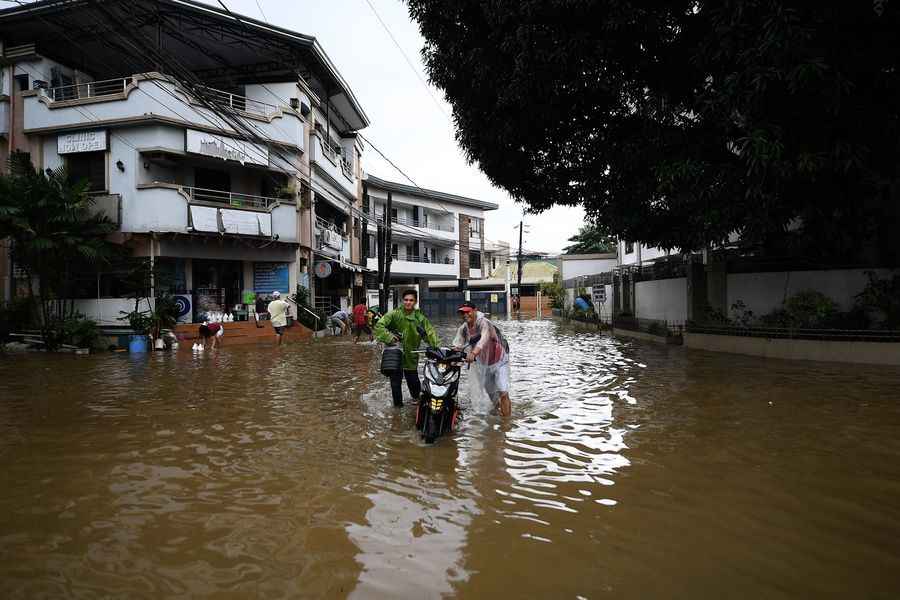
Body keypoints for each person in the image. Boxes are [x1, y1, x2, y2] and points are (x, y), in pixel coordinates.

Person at [374, 289, 440, 407]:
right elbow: (379, 325)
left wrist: (437, 348)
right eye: (406, 300)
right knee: (395, 383)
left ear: (415, 302)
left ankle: (416, 403)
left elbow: (431, 335)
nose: (408, 302)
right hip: (394, 354)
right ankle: (397, 411)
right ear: (402, 301)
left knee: (413, 382)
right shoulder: (394, 314)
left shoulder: (420, 318)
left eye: (411, 300)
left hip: (411, 355)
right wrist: (390, 337)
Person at [453, 301, 512, 417]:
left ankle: (506, 425)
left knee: (503, 392)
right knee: (494, 398)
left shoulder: (484, 323)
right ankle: (499, 418)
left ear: (475, 311)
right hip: (484, 365)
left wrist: (473, 353)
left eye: (468, 312)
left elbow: (483, 340)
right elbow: (458, 346)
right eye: (462, 313)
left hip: (500, 361)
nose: (465, 315)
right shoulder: (463, 329)